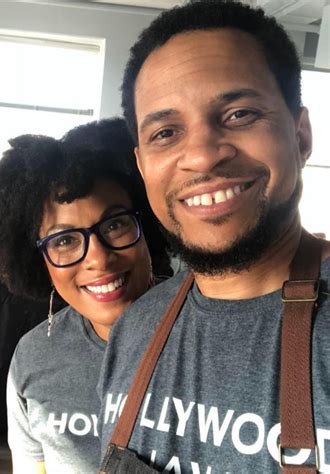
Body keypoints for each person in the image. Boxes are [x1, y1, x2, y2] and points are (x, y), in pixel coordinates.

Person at [98, 2, 330, 472]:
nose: (202, 156)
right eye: (166, 132)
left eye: (240, 114)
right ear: (143, 166)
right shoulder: (133, 330)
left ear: (301, 136)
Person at [0, 118, 172, 473]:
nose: (98, 258)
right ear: (38, 259)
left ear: (147, 225)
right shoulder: (34, 357)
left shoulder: (207, 339)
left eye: (115, 224)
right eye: (65, 240)